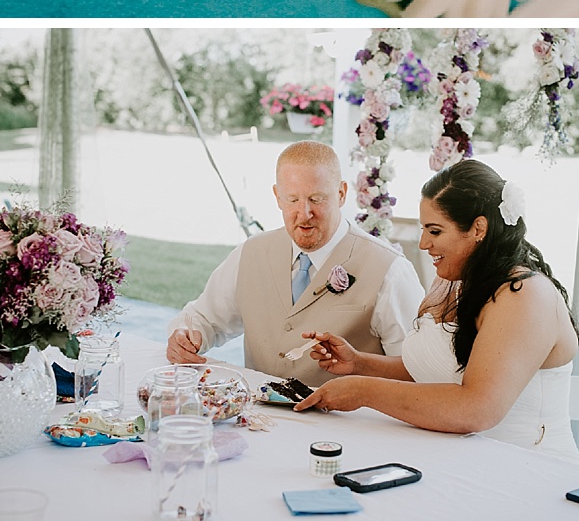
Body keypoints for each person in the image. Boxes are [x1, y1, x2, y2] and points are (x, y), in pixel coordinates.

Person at [297, 160, 579, 457]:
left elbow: (477, 410)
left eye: (434, 231)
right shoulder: (451, 281)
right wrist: (359, 363)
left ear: (478, 228)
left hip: (526, 467)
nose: (423, 243)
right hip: (452, 456)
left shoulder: (523, 295)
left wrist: (364, 391)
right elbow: (438, 370)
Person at [166, 140, 421, 386]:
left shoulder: (390, 270)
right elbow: (204, 318)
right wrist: (186, 337)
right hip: (258, 421)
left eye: (316, 199)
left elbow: (416, 368)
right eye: (292, 199)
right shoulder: (250, 253)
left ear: (341, 194)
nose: (304, 213)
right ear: (277, 196)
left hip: (347, 425)